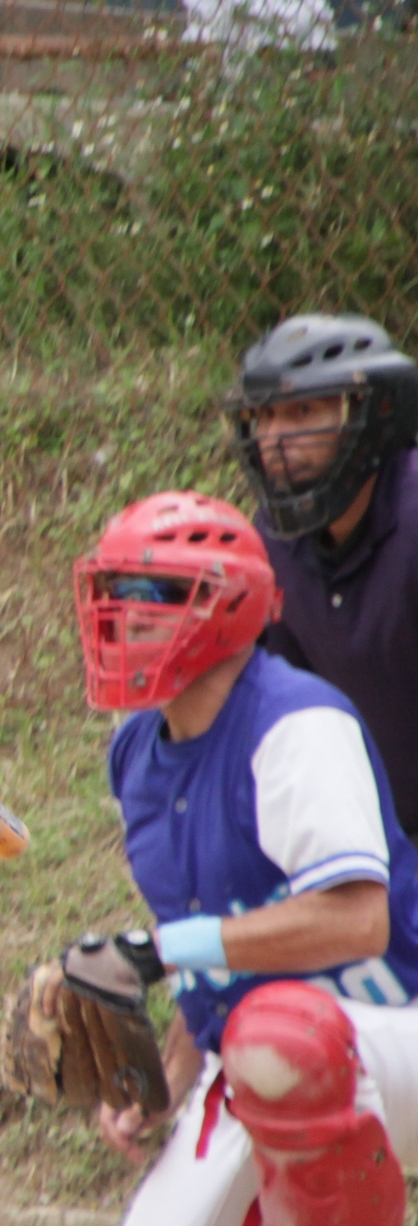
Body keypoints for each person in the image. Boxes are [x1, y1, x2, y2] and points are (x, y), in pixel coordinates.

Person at [50, 490, 418, 1226]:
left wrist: (163, 947)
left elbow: (355, 918)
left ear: (222, 611)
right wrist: (166, 1081)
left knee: (277, 1034)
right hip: (276, 1061)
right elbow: (222, 941)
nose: (119, 617)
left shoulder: (295, 721)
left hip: (392, 1024)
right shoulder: (137, 749)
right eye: (113, 591)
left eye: (149, 593)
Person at [224, 313, 418, 835]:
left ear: (377, 409)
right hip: (361, 837)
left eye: (301, 411)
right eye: (263, 417)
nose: (273, 439)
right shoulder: (271, 542)